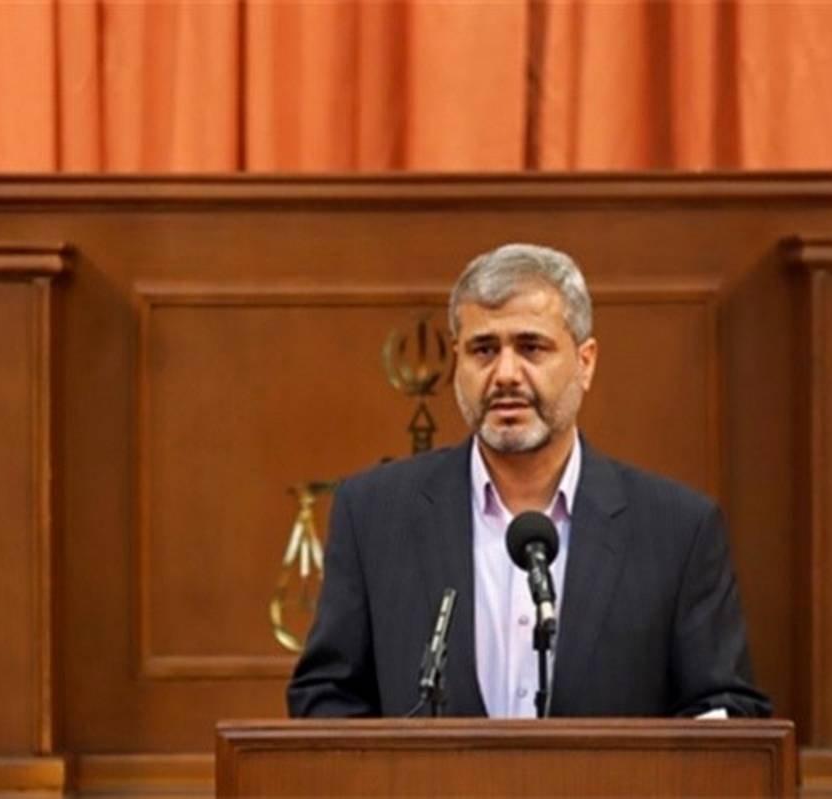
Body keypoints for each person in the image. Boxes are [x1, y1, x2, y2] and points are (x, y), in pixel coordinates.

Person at [287, 243, 771, 719]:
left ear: (585, 362)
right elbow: (326, 698)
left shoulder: (677, 530)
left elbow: (725, 709)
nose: (505, 374)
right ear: (457, 362)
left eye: (531, 347)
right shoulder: (374, 514)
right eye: (483, 350)